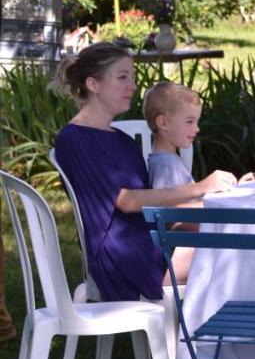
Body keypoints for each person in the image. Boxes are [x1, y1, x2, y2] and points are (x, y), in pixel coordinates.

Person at [52, 41, 237, 301]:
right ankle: (225, 337)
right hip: (124, 257)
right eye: (123, 77)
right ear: (93, 85)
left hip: (148, 242)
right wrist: (201, 187)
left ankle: (218, 336)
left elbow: (149, 203)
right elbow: (128, 201)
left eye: (133, 77)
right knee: (237, 250)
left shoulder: (122, 140)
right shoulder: (75, 139)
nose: (133, 85)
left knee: (240, 239)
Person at [142, 82, 200, 190]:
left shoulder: (168, 160)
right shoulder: (166, 166)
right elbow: (170, 206)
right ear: (164, 123)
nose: (197, 128)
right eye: (189, 121)